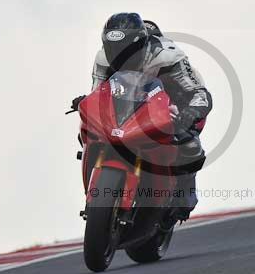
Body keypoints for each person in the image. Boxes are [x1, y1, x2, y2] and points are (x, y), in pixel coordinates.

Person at [71, 13, 212, 221]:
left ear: (142, 45)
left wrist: (191, 111)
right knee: (90, 127)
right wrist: (87, 101)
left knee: (188, 144)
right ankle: (96, 197)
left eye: (126, 51)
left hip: (177, 100)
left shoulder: (167, 56)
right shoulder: (102, 58)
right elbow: (98, 92)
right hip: (129, 101)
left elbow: (199, 93)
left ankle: (184, 194)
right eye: (113, 50)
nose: (119, 56)